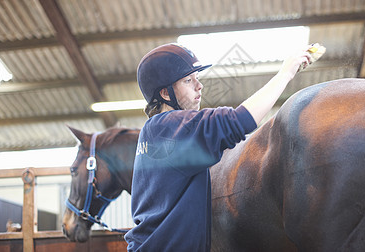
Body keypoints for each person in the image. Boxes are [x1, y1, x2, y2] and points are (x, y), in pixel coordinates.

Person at [125, 43, 311, 251]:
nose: (199, 86)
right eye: (188, 80)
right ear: (166, 94)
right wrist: (285, 73)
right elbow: (239, 121)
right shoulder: (172, 127)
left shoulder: (154, 132)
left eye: (197, 78)